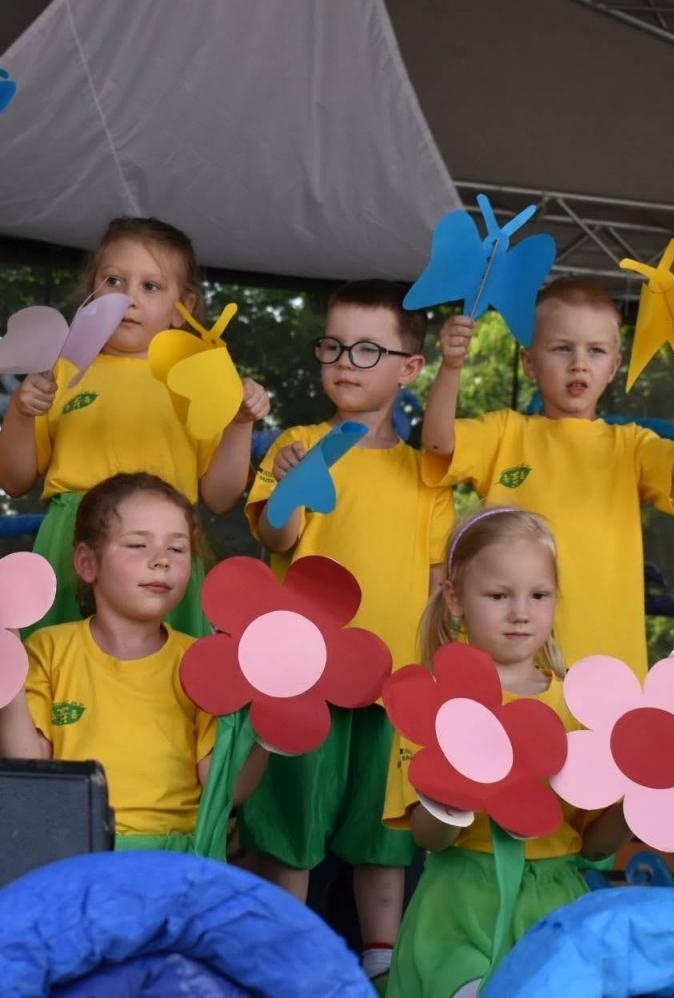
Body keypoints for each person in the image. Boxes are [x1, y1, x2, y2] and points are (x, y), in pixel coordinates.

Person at [239, 279, 454, 982]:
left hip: (393, 686)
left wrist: (432, 683)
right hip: (303, 678)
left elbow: (434, 589)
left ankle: (383, 969)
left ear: (409, 368)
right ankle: (282, 963)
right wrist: (295, 483)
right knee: (289, 829)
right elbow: (277, 535)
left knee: (382, 838)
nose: (346, 362)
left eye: (368, 348)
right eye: (333, 345)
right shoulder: (298, 444)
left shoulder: (428, 473)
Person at [385, 506, 630, 998]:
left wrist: (638, 797)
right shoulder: (433, 702)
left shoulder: (583, 706)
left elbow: (597, 845)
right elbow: (428, 838)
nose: (521, 612)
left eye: (539, 595)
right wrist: (463, 781)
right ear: (454, 599)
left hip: (555, 904)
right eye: (499, 595)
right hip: (460, 905)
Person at [423, 277, 674, 677]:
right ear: (529, 362)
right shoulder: (505, 433)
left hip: (606, 660)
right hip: (511, 658)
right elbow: (440, 444)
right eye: (562, 348)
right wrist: (452, 367)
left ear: (614, 367)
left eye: (595, 351)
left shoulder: (630, 444)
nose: (579, 363)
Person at [0, 217, 270, 637]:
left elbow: (219, 497)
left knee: (160, 686)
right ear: (91, 291)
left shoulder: (199, 377)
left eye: (151, 286)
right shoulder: (63, 368)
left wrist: (240, 424)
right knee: (58, 679)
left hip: (164, 546)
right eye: (114, 281)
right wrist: (20, 411)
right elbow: (14, 481)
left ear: (186, 309)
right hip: (71, 543)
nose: (128, 299)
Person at [0, 473, 268, 850]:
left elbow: (227, 789)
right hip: (72, 852)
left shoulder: (203, 661)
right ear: (88, 563)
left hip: (176, 862)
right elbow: (27, 768)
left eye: (177, 549)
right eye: (138, 544)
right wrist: (2, 646)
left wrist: (271, 720)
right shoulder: (49, 650)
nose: (160, 562)